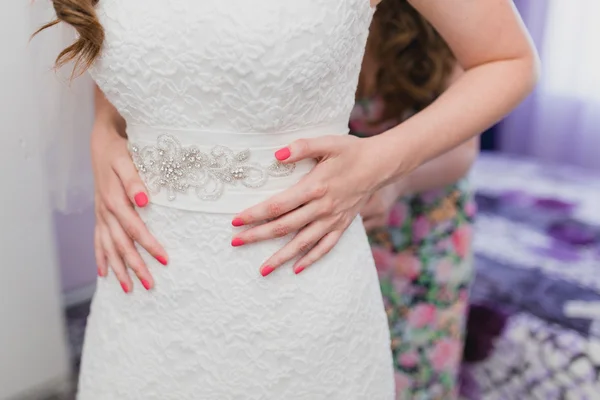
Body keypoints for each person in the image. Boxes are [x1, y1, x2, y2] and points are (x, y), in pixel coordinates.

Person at [36, 0, 538, 399]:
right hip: (139, 291)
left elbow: (507, 59)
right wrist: (103, 134)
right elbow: (137, 57)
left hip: (293, 291)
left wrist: (382, 160)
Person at [351, 2, 477, 398]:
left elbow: (463, 150)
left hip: (425, 230)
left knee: (414, 375)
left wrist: (395, 182)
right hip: (345, 224)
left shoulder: (444, 26)